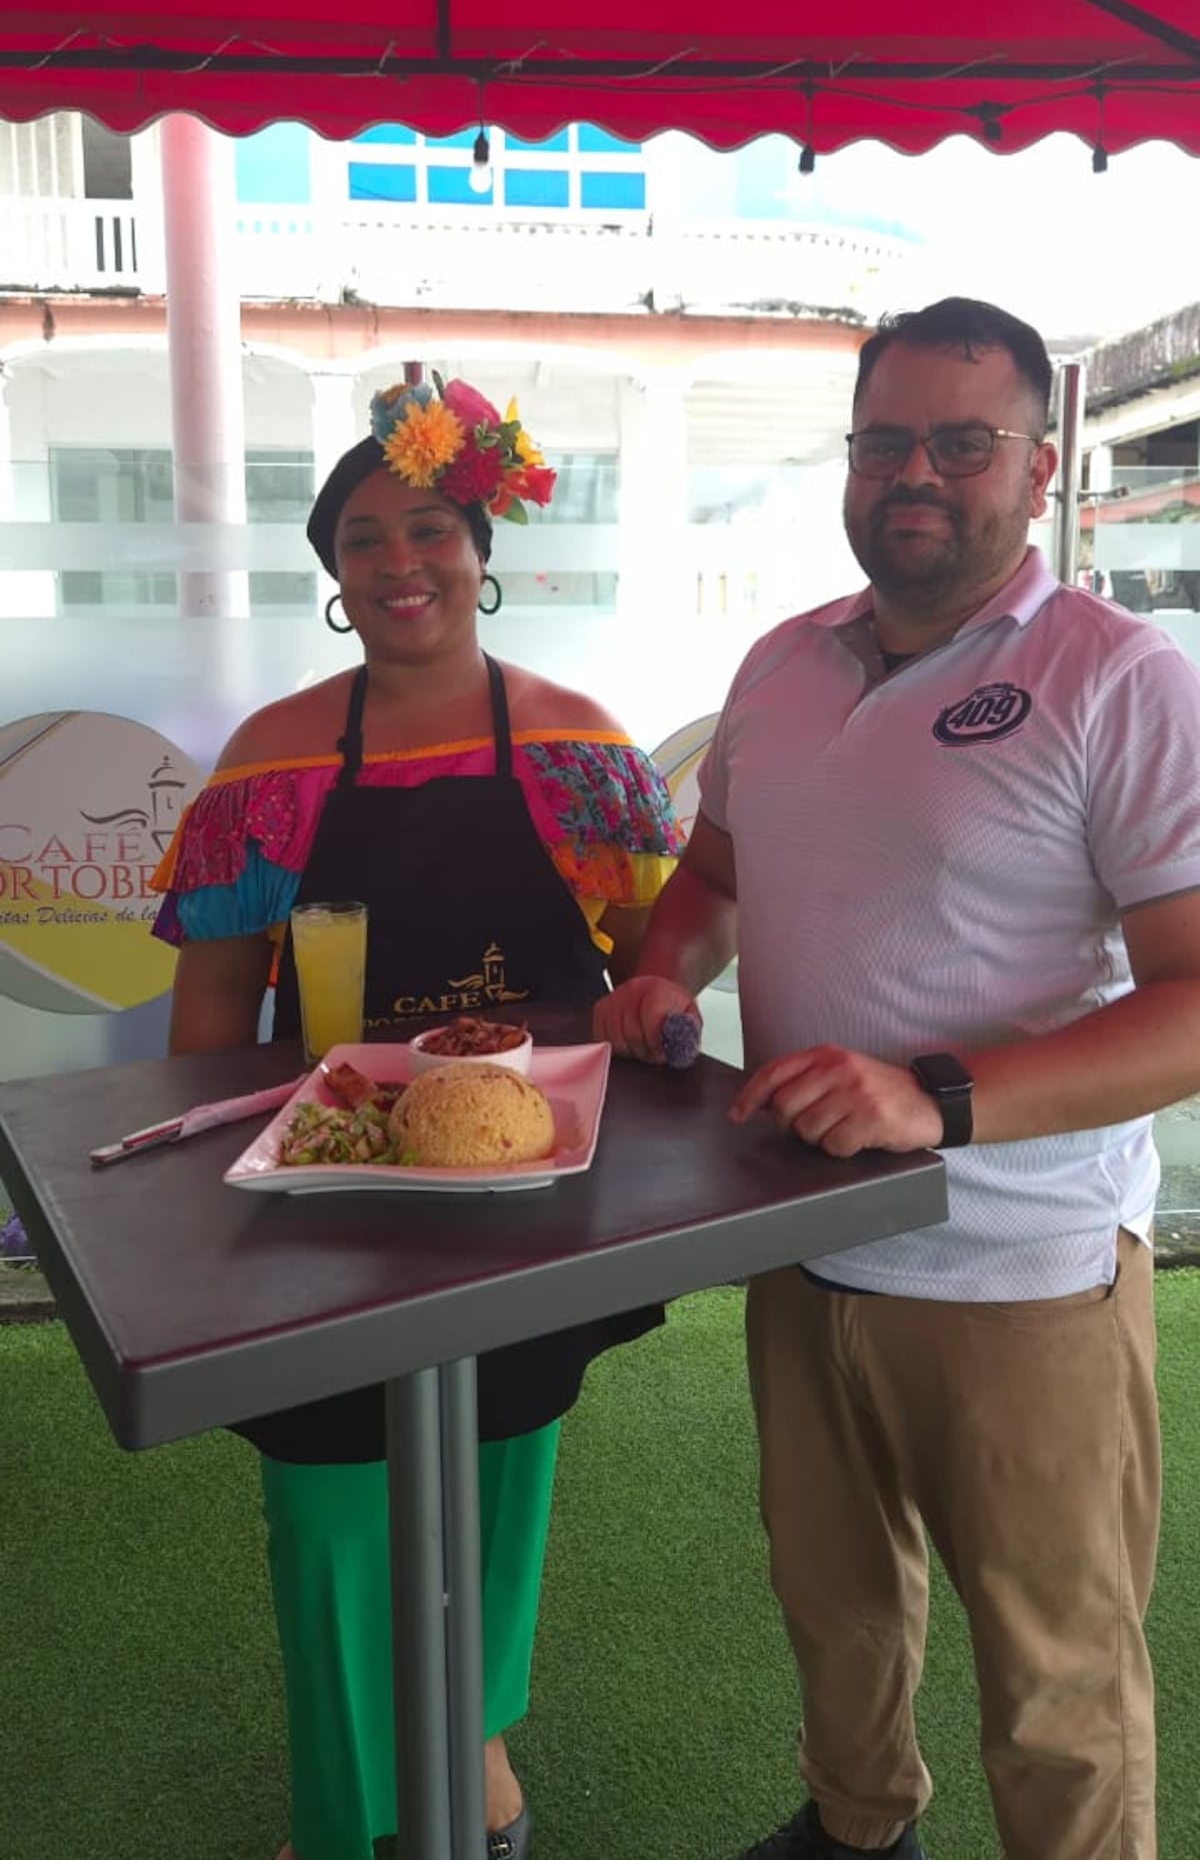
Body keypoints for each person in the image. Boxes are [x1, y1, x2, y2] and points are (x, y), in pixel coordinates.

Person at [596, 297, 1200, 1860]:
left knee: (1055, 1676)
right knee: (835, 1606)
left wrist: (941, 1097)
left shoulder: (1118, 678)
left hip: (1023, 1265)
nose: (913, 470)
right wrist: (667, 968)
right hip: (796, 1235)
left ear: (1039, 463)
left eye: (961, 439)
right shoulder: (783, 662)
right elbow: (714, 869)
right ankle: (861, 1833)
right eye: (883, 439)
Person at [152, 371, 684, 1860]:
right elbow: (204, 1031)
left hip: (529, 1192)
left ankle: (472, 1778)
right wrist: (210, 1203)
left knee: (492, 1507)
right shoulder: (267, 766)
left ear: (481, 543)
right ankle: (348, 1823)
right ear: (333, 574)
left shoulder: (581, 752)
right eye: (366, 537)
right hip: (319, 1198)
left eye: (432, 526)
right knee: (330, 1525)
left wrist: (658, 1012)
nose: (403, 562)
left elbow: (661, 959)